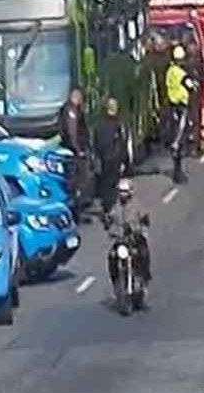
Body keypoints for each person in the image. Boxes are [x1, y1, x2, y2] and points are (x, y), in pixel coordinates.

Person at [106, 178, 151, 284]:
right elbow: (110, 218)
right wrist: (107, 223)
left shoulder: (137, 206)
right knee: (112, 256)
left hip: (135, 239)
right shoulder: (116, 207)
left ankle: (145, 274)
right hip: (121, 240)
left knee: (144, 253)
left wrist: (140, 228)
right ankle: (115, 279)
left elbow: (145, 218)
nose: (123, 194)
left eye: (125, 191)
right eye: (121, 191)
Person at [165, 45, 198, 184]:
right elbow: (190, 85)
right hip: (181, 106)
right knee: (181, 134)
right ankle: (178, 172)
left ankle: (176, 164)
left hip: (171, 105)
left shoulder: (170, 71)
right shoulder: (180, 72)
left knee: (175, 132)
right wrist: (195, 84)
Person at [93, 97, 129, 225]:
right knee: (113, 186)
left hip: (103, 159)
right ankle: (110, 211)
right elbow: (122, 143)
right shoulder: (118, 124)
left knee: (105, 185)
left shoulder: (98, 124)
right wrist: (125, 161)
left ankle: (106, 210)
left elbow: (95, 143)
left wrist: (97, 158)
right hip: (114, 159)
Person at [57, 88, 92, 217]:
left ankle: (75, 210)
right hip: (74, 153)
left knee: (74, 181)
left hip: (70, 151)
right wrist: (79, 150)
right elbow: (72, 133)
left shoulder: (67, 109)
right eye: (80, 97)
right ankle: (75, 212)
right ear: (76, 97)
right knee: (77, 181)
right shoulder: (71, 111)